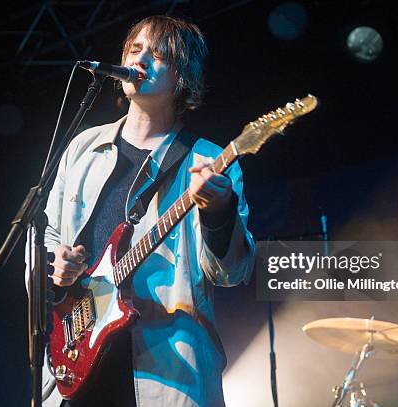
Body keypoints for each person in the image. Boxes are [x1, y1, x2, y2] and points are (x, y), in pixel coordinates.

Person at [35, 15, 255, 407]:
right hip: (75, 362)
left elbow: (231, 273)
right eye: (135, 49)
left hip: (165, 374)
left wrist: (219, 212)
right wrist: (55, 263)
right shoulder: (83, 148)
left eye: (158, 55)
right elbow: (45, 232)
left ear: (182, 76)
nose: (141, 59)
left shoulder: (209, 159)